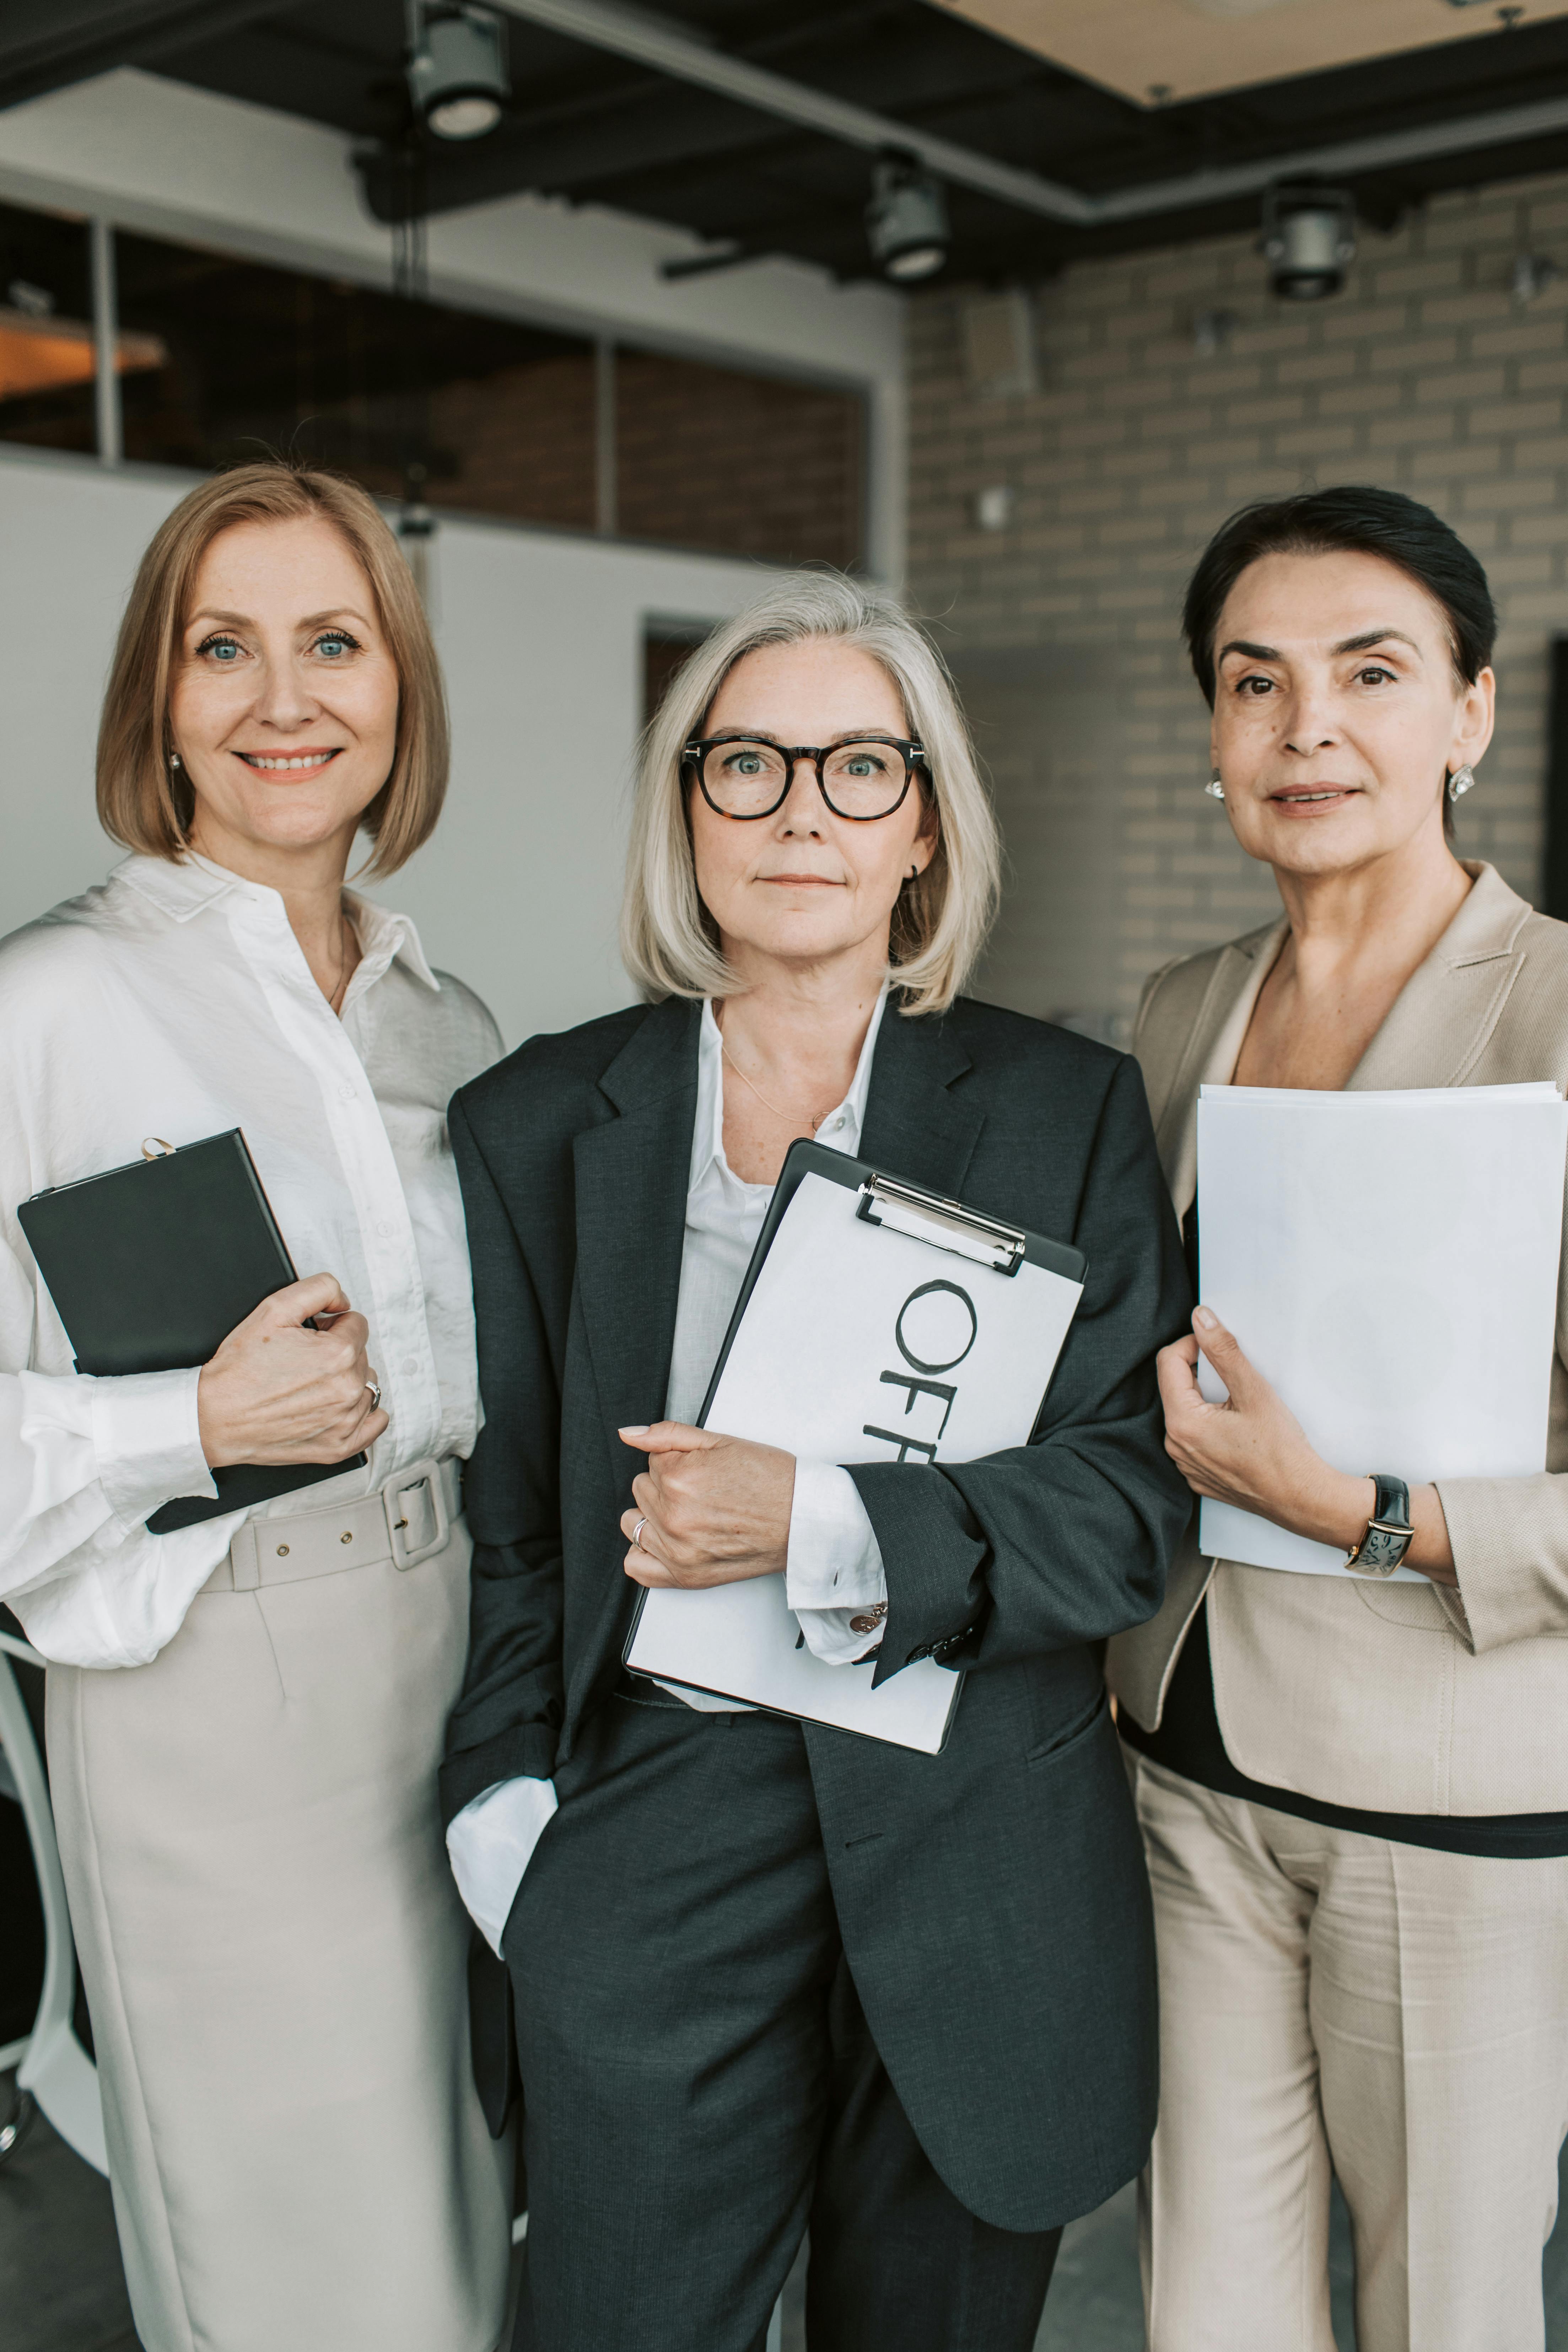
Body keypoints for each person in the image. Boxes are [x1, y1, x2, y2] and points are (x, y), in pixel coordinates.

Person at [440, 571, 1192, 2352]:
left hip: (977, 1833)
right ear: (684, 808)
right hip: (654, 1834)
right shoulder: (540, 1121)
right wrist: (511, 1833)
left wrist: (827, 1519)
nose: (801, 810)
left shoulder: (1062, 1108)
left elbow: (1129, 1501)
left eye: (862, 768)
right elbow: (515, 1529)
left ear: (924, 823)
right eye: (750, 763)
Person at [0, 462, 511, 2352]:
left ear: (399, 691)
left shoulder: (445, 1022)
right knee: (303, 2268)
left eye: (332, 640)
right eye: (224, 645)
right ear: (159, 696)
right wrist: (186, 1424)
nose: (282, 696)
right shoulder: (48, 1006)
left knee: (457, 2219)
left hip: (451, 1651)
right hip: (209, 1686)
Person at [1109, 485, 1568, 2352]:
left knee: (1441, 2317)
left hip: (1446, 1801)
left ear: (1469, 710)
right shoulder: (1178, 1012)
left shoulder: (1554, 1008)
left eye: (1370, 672)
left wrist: (1367, 1505)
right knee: (1203, 2309)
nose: (1307, 727)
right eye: (1255, 680)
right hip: (1181, 1769)